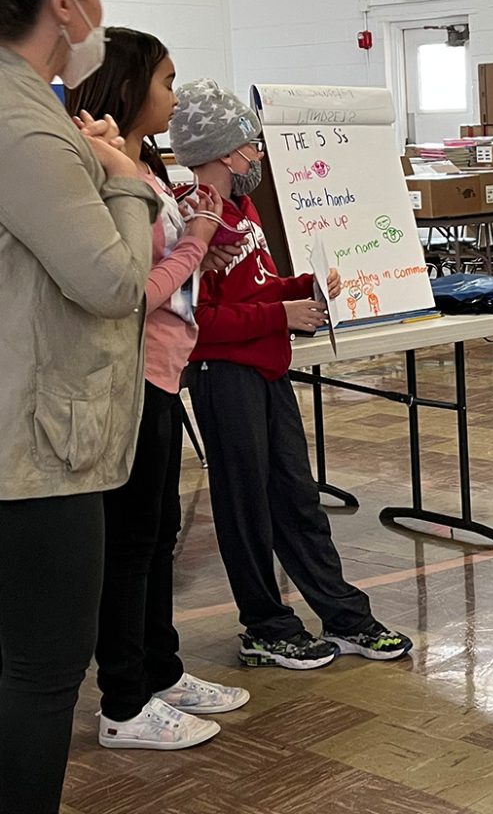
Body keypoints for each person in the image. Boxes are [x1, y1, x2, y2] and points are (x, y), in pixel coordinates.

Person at [169, 80, 413, 670]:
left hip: (267, 369)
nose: (258, 154)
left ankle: (344, 615)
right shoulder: (193, 218)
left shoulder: (243, 208)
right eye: (251, 144)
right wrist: (280, 315)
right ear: (227, 151)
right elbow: (198, 320)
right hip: (225, 375)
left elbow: (256, 285)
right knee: (246, 507)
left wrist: (301, 288)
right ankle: (265, 624)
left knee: (297, 498)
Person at [0, 0, 158, 812]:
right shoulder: (22, 120)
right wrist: (127, 183)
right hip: (33, 453)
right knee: (43, 672)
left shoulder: (35, 114)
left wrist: (89, 162)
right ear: (63, 2)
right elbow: (109, 280)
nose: (99, 4)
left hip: (25, 431)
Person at [66, 28, 250, 750]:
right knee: (132, 540)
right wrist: (197, 240)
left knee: (159, 532)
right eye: (166, 81)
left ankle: (160, 670)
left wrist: (202, 242)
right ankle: (123, 700)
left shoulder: (143, 163)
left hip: (165, 370)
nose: (175, 97)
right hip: (131, 374)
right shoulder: (105, 169)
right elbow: (130, 292)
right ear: (128, 84)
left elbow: (171, 262)